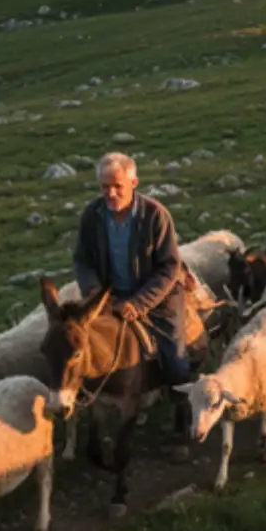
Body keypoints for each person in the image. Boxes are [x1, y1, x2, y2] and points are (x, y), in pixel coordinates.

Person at [73, 152, 193, 389]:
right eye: (105, 187)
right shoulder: (93, 214)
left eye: (118, 186)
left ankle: (183, 403)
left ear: (133, 183)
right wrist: (95, 292)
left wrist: (139, 303)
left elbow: (169, 265)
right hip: (110, 296)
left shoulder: (155, 215)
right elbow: (82, 259)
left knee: (175, 362)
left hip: (157, 297)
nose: (111, 193)